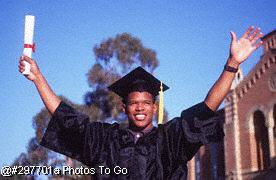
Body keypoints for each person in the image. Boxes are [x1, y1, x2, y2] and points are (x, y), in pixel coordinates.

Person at [18, 26, 263, 179]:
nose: (140, 107)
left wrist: (232, 65)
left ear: (154, 107)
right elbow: (66, 119)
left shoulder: (170, 139)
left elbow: (207, 107)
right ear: (124, 107)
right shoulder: (105, 140)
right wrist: (38, 78)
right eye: (134, 103)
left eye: (146, 102)